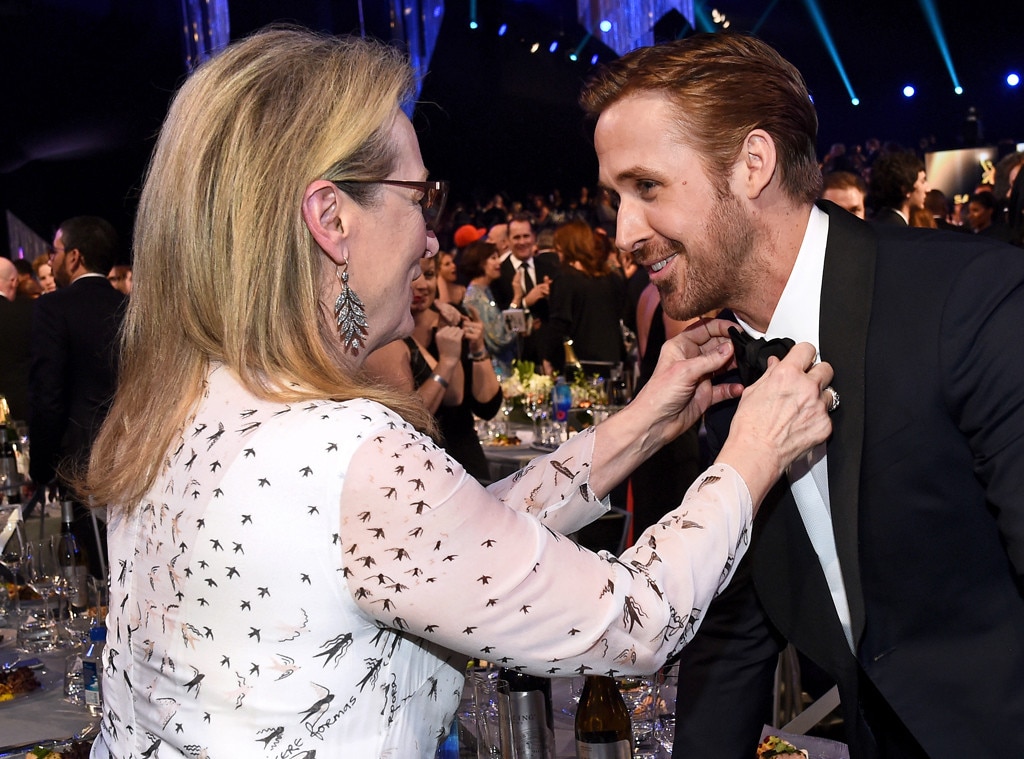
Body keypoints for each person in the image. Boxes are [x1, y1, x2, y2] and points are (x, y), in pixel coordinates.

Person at [82, 29, 833, 758]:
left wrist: (639, 423)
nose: (431, 238)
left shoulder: (175, 408)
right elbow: (632, 619)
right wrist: (751, 453)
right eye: (418, 196)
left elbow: (453, 541)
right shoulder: (344, 449)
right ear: (330, 217)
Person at [582, 31, 1024, 759]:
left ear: (752, 164)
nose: (623, 231)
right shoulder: (721, 374)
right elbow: (736, 629)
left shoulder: (968, 298)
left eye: (647, 187)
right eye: (614, 198)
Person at [29, 216, 126, 564]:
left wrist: (40, 468)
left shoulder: (52, 308)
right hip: (135, 456)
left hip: (80, 465)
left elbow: (47, 395)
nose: (50, 260)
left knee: (88, 571)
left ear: (73, 257)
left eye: (54, 251)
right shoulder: (129, 307)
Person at [367, 256, 502, 482]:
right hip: (421, 467)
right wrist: (447, 361)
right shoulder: (386, 335)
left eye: (428, 275)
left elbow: (471, 402)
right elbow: (408, 420)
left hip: (465, 459)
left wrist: (476, 348)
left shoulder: (455, 319)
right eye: (412, 276)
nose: (421, 284)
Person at [545, 218, 626, 374]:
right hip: (613, 360)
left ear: (566, 246)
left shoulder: (565, 279)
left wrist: (549, 359)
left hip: (580, 365)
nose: (556, 251)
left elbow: (559, 325)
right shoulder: (612, 277)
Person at [867, 149, 929, 225]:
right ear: (905, 190)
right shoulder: (900, 230)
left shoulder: (878, 222)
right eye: (922, 181)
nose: (928, 189)